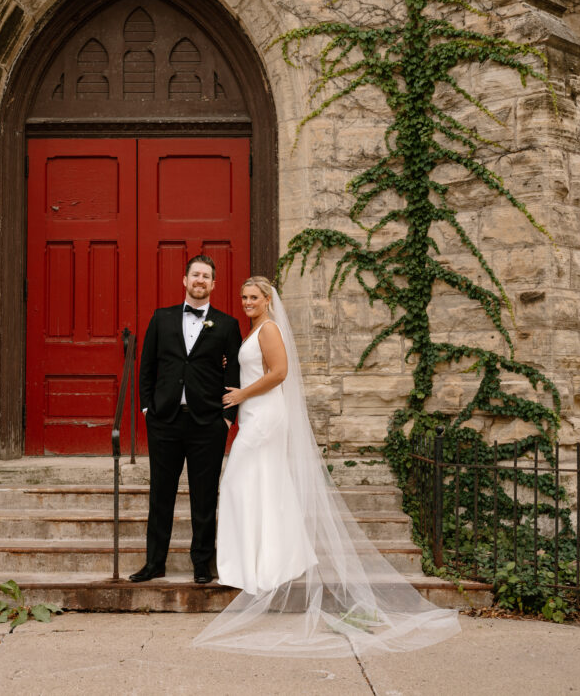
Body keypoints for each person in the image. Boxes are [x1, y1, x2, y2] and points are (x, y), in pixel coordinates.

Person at [193, 277, 461, 657]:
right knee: (257, 485)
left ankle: (265, 564)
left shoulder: (268, 329)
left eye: (254, 297)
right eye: (244, 297)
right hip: (254, 415)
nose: (247, 302)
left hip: (265, 415)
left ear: (268, 300)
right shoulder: (255, 329)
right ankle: (261, 561)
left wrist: (241, 394)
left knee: (241, 482)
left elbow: (280, 373)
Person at [131, 255, 242, 585]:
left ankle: (201, 564)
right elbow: (147, 366)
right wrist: (147, 410)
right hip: (164, 420)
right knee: (160, 495)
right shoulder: (161, 319)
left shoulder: (227, 325)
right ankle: (154, 563)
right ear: (184, 280)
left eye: (206, 276)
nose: (200, 280)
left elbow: (234, 371)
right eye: (195, 274)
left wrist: (227, 418)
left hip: (207, 423)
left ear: (213, 284)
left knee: (205, 496)